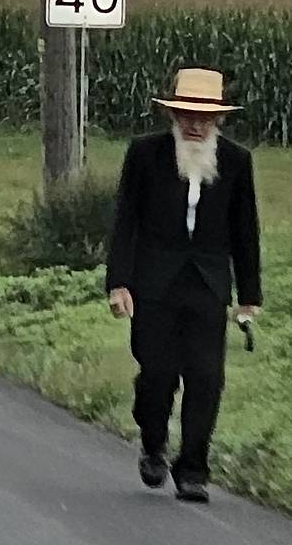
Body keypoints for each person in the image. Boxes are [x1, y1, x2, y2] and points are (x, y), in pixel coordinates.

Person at [106, 68, 262, 504]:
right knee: (156, 375)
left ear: (218, 121)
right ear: (174, 114)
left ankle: (193, 468)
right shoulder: (144, 155)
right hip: (153, 283)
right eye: (187, 115)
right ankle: (153, 444)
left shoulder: (235, 161)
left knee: (206, 378)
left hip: (208, 286)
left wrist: (249, 296)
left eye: (205, 118)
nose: (195, 125)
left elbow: (245, 230)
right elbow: (125, 222)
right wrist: (118, 283)